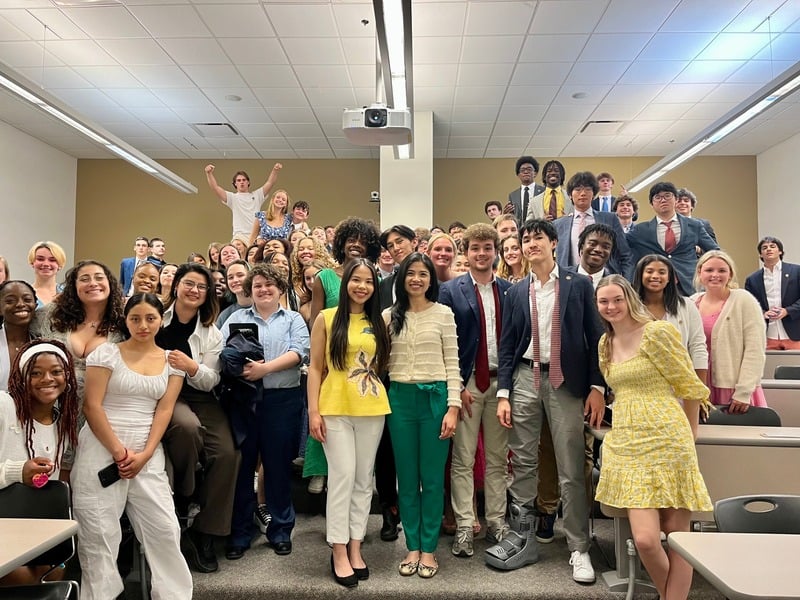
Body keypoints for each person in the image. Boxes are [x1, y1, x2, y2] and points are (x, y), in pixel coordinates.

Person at [487, 218, 602, 581]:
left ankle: (579, 547)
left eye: (538, 237)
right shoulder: (516, 291)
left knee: (571, 466)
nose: (531, 243)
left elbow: (596, 338)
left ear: (554, 243)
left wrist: (597, 387)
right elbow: (507, 345)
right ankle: (522, 537)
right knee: (522, 461)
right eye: (525, 239)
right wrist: (503, 393)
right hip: (525, 377)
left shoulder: (578, 285)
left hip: (565, 380)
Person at [594, 275, 712, 600]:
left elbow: (689, 386)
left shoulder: (657, 332)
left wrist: (690, 434)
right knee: (645, 540)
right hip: (628, 441)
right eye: (604, 301)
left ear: (629, 299)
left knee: (676, 534)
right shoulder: (605, 343)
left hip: (667, 435)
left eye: (617, 299)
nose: (611, 306)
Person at [72, 293, 192, 600]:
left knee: (165, 529)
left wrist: (147, 453)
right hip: (101, 446)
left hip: (146, 451)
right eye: (135, 318)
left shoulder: (172, 361)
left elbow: (164, 410)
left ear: (161, 320)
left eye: (150, 318)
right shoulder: (106, 353)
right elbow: (92, 406)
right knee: (98, 533)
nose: (143, 325)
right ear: (125, 321)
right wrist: (118, 451)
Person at [307, 259, 390, 588]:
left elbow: (380, 365)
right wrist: (313, 412)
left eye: (368, 281)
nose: (362, 286)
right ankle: (338, 549)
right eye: (356, 280)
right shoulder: (327, 318)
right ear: (345, 283)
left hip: (372, 406)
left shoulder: (378, 321)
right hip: (334, 407)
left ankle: (356, 546)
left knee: (363, 480)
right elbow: (315, 367)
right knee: (342, 477)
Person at [220, 264, 309, 560]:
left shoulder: (293, 319)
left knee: (277, 468)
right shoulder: (236, 318)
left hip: (282, 401)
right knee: (243, 468)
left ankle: (281, 530)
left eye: (269, 284)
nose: (263, 289)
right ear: (250, 290)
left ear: (280, 289)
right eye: (257, 285)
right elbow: (220, 353)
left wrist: (264, 369)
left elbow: (299, 353)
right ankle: (240, 532)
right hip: (244, 401)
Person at [156, 263, 236, 574]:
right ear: (176, 285)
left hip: (199, 395)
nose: (194, 290)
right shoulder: (156, 316)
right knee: (187, 428)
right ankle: (186, 496)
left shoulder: (211, 331)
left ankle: (206, 532)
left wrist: (191, 366)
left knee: (227, 453)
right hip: (162, 393)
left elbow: (211, 379)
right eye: (189, 284)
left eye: (202, 287)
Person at [385, 253, 460, 579]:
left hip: (435, 400)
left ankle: (428, 548)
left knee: (431, 479)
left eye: (423, 274)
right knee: (406, 478)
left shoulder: (444, 314)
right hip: (399, 401)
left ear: (431, 279)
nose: (416, 279)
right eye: (410, 273)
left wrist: (453, 408)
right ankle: (412, 545)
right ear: (402, 278)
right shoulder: (389, 315)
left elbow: (453, 364)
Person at [438, 223, 511, 558]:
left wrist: (507, 388)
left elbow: (513, 341)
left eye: (487, 248)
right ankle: (465, 525)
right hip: (467, 385)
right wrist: (457, 384)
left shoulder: (510, 291)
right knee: (463, 459)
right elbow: (446, 342)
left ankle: (497, 521)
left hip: (500, 384)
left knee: (497, 459)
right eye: (475, 248)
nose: (482, 254)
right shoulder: (451, 291)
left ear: (496, 251)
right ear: (465, 253)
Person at [305, 218, 382, 495]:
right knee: (325, 417)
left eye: (363, 241)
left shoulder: (375, 280)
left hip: (361, 363)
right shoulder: (324, 277)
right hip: (331, 358)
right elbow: (316, 319)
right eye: (351, 239)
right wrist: (323, 360)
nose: (356, 244)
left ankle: (362, 476)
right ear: (340, 243)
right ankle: (320, 470)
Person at [0, 340, 79, 585]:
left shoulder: (63, 425)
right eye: (35, 373)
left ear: (67, 377)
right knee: (21, 577)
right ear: (21, 378)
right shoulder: (4, 406)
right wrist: (18, 471)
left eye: (56, 371)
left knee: (50, 573)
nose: (47, 379)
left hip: (36, 530)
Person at [31, 260, 126, 429]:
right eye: (84, 279)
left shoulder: (124, 324)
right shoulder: (50, 315)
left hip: (101, 415)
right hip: (50, 410)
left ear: (110, 283)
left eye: (99, 277)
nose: (93, 283)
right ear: (74, 287)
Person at [691, 251, 767, 412]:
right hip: (699, 386)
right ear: (699, 272)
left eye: (722, 270)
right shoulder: (691, 302)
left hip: (733, 389)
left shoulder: (743, 300)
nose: (715, 275)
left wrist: (744, 391)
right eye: (709, 270)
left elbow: (755, 350)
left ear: (730, 274)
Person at [626, 182, 718, 296]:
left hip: (689, 284)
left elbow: (714, 251)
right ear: (652, 204)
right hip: (656, 286)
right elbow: (621, 246)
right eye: (657, 197)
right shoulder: (641, 230)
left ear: (676, 199)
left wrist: (707, 272)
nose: (663, 200)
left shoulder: (694, 225)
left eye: (667, 195)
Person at [633, 255, 707, 380]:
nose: (655, 276)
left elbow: (698, 346)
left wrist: (701, 384)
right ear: (640, 275)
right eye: (649, 271)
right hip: (640, 381)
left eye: (662, 272)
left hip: (679, 380)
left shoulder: (686, 306)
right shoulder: (630, 307)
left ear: (669, 278)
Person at [553, 171, 632, 277]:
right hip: (570, 280)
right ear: (570, 195)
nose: (583, 193)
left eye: (587, 189)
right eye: (578, 189)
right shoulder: (558, 225)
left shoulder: (610, 219)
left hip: (605, 279)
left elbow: (625, 255)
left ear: (594, 194)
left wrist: (626, 282)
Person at [744, 236, 800, 350]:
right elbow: (749, 304)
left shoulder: (796, 271)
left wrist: (787, 311)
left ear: (780, 252)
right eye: (764, 248)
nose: (768, 249)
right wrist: (763, 313)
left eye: (772, 246)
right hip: (767, 336)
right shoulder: (752, 279)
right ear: (760, 254)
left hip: (795, 333)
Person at [204, 163, 282, 239]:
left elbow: (270, 183)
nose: (241, 182)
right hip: (239, 235)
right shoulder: (232, 198)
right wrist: (209, 173)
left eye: (244, 180)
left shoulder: (257, 195)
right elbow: (215, 188)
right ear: (235, 184)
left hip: (255, 235)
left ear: (248, 182)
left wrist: (275, 170)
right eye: (238, 180)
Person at [0, 281, 38, 390]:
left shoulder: (41, 342)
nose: (20, 304)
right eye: (10, 301)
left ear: (35, 305)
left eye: (27, 300)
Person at [505, 155, 545, 221]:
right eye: (522, 170)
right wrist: (507, 214)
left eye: (529, 169)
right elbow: (513, 216)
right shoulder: (513, 195)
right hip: (520, 227)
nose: (526, 172)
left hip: (539, 225)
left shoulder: (543, 191)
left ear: (535, 173)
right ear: (518, 175)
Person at [28, 241, 67, 306]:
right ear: (32, 263)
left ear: (60, 265)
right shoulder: (25, 293)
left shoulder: (68, 293)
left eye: (52, 260)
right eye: (40, 259)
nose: (46, 264)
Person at [216, 260, 251, 328]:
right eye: (230, 277)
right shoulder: (225, 315)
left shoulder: (265, 308)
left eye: (240, 275)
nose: (235, 280)